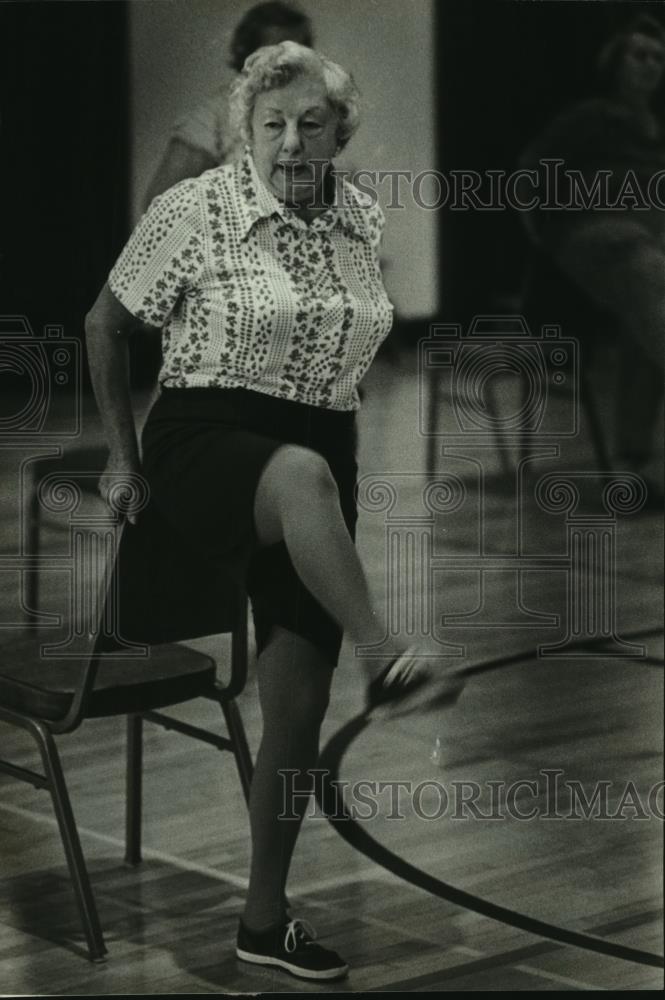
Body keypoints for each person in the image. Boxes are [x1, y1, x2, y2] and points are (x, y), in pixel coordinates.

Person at [86, 41, 463, 982]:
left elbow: (348, 354)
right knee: (296, 475)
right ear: (245, 129)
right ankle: (386, 654)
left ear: (340, 131)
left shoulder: (361, 218)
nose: (291, 140)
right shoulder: (196, 208)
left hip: (316, 455)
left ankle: (263, 920)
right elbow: (105, 323)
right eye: (272, 123)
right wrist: (123, 461)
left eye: (310, 123)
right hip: (207, 440)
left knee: (293, 708)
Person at [520, 15, 665, 494]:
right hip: (595, 237)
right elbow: (530, 172)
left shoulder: (657, 132)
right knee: (648, 273)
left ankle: (635, 462)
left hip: (648, 249)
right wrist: (543, 238)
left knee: (646, 309)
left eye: (658, 58)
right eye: (638, 55)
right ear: (615, 63)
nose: (650, 65)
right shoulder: (589, 117)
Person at [143, 1, 313, 208]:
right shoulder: (215, 114)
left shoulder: (311, 115)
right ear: (247, 56)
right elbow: (159, 204)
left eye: (300, 54)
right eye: (276, 55)